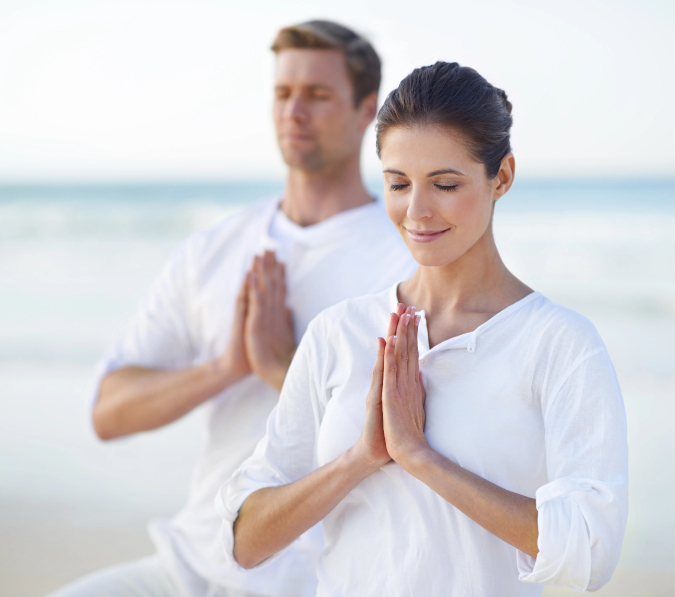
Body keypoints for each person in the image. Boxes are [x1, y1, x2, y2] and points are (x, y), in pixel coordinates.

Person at [220, 61, 629, 596]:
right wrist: (360, 459)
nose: (416, 210)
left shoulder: (559, 345)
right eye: (398, 183)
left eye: (444, 183)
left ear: (501, 177)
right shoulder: (337, 334)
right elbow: (246, 541)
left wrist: (420, 458)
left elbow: (589, 556)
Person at [48, 20, 416, 597]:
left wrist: (281, 369)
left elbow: (406, 437)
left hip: (315, 579)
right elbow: (108, 412)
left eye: (317, 96)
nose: (294, 111)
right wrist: (225, 367)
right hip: (189, 563)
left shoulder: (403, 257)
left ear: (365, 108)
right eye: (283, 93)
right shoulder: (214, 248)